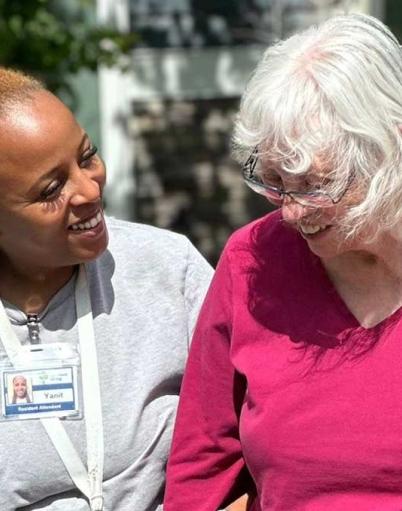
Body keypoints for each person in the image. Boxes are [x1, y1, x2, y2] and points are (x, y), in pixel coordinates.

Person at [164, 13, 402, 511]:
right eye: (274, 182)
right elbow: (202, 462)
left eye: (314, 186)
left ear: (390, 149)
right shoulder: (253, 259)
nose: (292, 211)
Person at [0, 68, 213, 511]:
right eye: (51, 189)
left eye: (87, 155)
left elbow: (256, 433)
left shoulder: (168, 270)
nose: (88, 189)